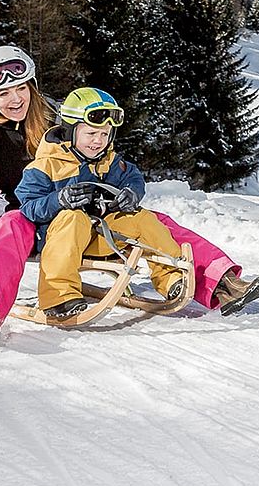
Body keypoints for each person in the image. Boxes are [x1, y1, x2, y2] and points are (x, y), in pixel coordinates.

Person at [0, 45, 259, 343]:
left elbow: (109, 155)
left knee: (152, 221)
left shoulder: (61, 119)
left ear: (32, 86)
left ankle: (222, 284)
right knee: (7, 226)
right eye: (3, 93)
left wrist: (124, 192)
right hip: (31, 219)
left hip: (86, 218)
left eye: (21, 88)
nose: (14, 98)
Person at [14, 88, 187, 319]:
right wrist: (59, 200)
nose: (98, 141)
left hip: (101, 239)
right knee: (72, 216)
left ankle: (171, 278)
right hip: (61, 241)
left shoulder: (110, 161)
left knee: (141, 217)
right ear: (70, 131)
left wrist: (131, 193)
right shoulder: (44, 166)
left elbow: (133, 177)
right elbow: (28, 207)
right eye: (90, 134)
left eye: (105, 135)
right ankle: (59, 296)